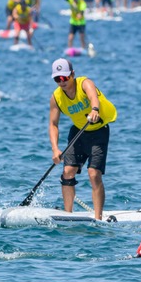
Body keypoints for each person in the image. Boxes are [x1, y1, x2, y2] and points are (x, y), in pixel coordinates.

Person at [49, 58, 117, 221]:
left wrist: (94, 110)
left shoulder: (84, 83)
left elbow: (94, 98)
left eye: (64, 78)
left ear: (72, 74)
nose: (62, 82)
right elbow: (53, 124)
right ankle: (67, 215)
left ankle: (98, 218)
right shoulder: (56, 97)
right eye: (57, 79)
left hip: (99, 131)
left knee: (94, 174)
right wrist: (55, 149)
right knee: (67, 172)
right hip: (78, 132)